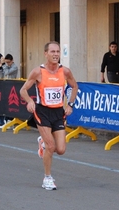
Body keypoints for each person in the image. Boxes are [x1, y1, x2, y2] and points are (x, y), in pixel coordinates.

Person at [20, 41, 78, 191]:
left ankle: (43, 143)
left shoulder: (65, 71)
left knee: (61, 149)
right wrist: (29, 102)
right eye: (52, 52)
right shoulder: (37, 72)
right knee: (51, 146)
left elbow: (75, 86)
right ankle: (47, 178)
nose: (56, 54)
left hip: (58, 112)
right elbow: (23, 90)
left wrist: (70, 104)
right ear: (46, 53)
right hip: (42, 112)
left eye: (57, 51)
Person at [0, 54, 19, 130]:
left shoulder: (14, 67)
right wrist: (0, 67)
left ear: (12, 61)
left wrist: (3, 65)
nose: (7, 64)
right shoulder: (5, 66)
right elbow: (1, 76)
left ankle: (10, 121)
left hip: (12, 87)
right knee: (5, 104)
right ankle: (6, 121)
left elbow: (6, 72)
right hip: (6, 86)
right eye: (6, 62)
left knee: (11, 105)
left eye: (8, 62)